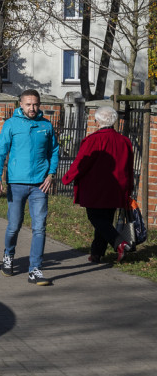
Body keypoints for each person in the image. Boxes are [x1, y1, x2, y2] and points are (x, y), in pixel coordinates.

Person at [0, 89, 60, 286]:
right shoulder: (11, 124)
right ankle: (8, 255)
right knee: (14, 226)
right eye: (28, 104)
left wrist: (51, 173)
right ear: (20, 104)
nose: (32, 108)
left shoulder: (46, 125)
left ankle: (35, 269)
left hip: (40, 185)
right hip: (17, 183)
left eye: (36, 104)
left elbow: (53, 150)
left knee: (40, 228)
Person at [61, 106, 134, 263]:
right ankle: (96, 253)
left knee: (95, 217)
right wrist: (130, 187)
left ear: (97, 121)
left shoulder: (92, 140)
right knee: (106, 220)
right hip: (117, 187)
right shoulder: (124, 141)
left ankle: (119, 243)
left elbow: (82, 162)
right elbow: (130, 167)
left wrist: (67, 177)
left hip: (95, 187)